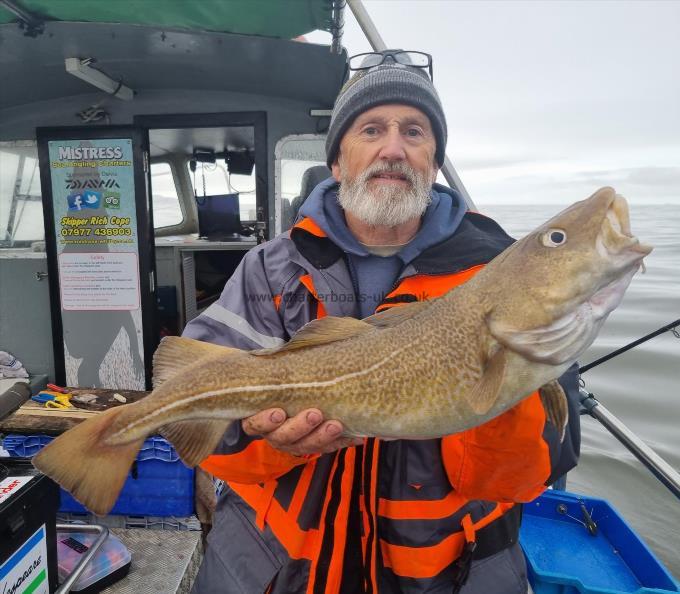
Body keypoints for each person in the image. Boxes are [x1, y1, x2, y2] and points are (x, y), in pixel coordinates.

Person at [184, 50, 581, 594]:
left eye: (414, 132)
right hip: (276, 566)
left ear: (434, 162)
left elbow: (531, 473)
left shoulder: (500, 273)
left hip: (446, 571)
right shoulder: (270, 269)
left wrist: (495, 380)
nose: (393, 149)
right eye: (372, 129)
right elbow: (205, 433)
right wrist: (269, 440)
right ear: (338, 162)